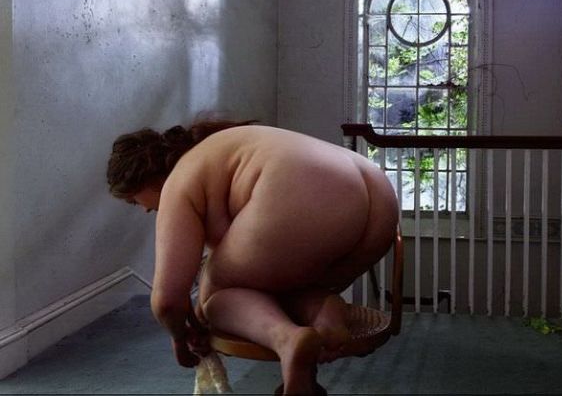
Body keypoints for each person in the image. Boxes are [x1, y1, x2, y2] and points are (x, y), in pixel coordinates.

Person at [106, 120, 398, 395]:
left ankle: (287, 339)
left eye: (133, 200)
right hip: (377, 200)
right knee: (274, 286)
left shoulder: (178, 179)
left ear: (147, 178)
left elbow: (167, 300)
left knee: (215, 297)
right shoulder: (221, 147)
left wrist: (180, 338)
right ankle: (323, 312)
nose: (143, 209)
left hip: (301, 196)